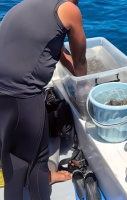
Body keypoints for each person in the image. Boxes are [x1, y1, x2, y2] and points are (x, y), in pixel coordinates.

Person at [0, 0, 87, 199]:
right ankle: (44, 179)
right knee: (38, 164)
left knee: (13, 161)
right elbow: (80, 61)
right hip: (25, 98)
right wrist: (84, 86)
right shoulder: (69, 9)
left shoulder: (27, 5)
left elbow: (57, 50)